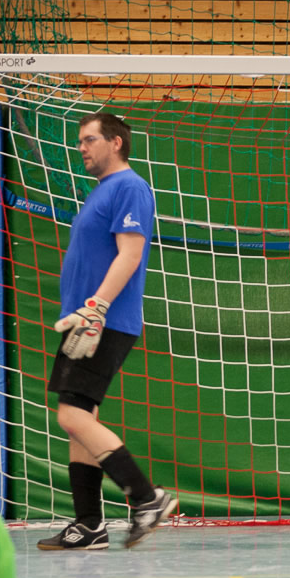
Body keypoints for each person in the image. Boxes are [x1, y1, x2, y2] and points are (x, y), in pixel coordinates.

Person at [36, 111, 177, 551]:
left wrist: (97, 307)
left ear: (116, 142)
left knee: (71, 416)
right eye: (80, 140)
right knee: (81, 418)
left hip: (104, 320)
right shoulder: (103, 190)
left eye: (90, 139)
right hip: (87, 320)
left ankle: (147, 497)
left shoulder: (130, 187)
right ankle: (88, 525)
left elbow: (130, 255)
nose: (81, 147)